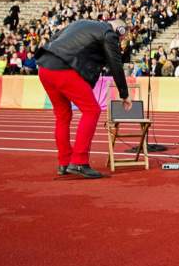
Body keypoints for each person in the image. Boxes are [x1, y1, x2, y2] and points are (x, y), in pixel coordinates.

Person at [35, 19, 132, 178]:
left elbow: (54, 39)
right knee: (91, 110)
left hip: (45, 67)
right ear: (120, 30)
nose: (120, 41)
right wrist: (124, 94)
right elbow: (115, 63)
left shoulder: (80, 23)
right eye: (122, 37)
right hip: (64, 70)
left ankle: (64, 162)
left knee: (62, 115)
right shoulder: (109, 33)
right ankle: (79, 162)